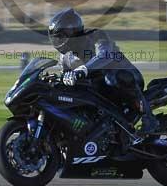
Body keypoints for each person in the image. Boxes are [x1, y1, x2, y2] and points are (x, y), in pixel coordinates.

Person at [47, 7, 160, 136]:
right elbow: (65, 77)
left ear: (71, 32)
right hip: (101, 90)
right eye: (55, 38)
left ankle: (149, 119)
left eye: (60, 37)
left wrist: (82, 70)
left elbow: (105, 55)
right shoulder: (66, 57)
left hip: (127, 79)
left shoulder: (95, 35)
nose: (57, 42)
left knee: (112, 78)